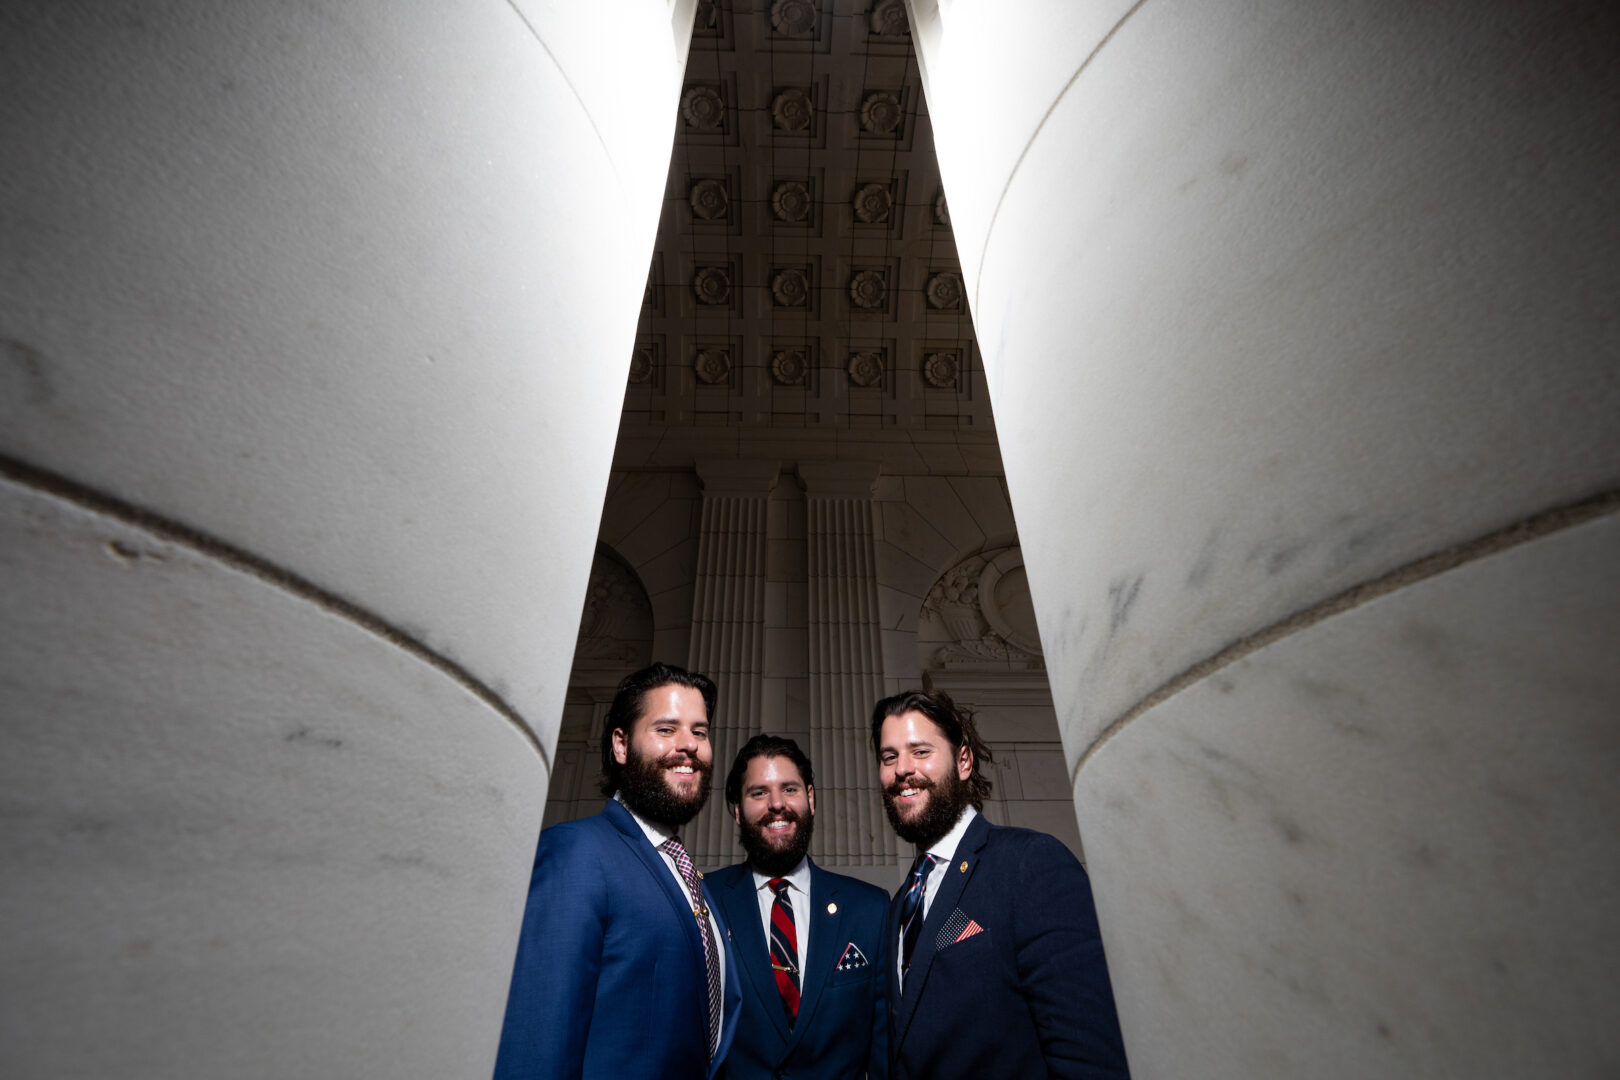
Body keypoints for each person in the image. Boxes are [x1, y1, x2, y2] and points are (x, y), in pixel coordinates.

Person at [493, 662, 741, 1080]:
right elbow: (538, 1041)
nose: (690, 745)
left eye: (699, 732)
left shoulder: (690, 879)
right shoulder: (577, 851)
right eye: (666, 729)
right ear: (622, 745)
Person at [872, 689, 1131, 1079]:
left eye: (920, 751)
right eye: (889, 757)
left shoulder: (1031, 863)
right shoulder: (900, 905)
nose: (902, 769)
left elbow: (1088, 1054)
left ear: (963, 762)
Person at [707, 734, 889, 1080]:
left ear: (811, 799)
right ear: (737, 811)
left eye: (789, 789)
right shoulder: (704, 900)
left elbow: (883, 1052)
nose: (777, 804)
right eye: (759, 792)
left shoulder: (870, 909)